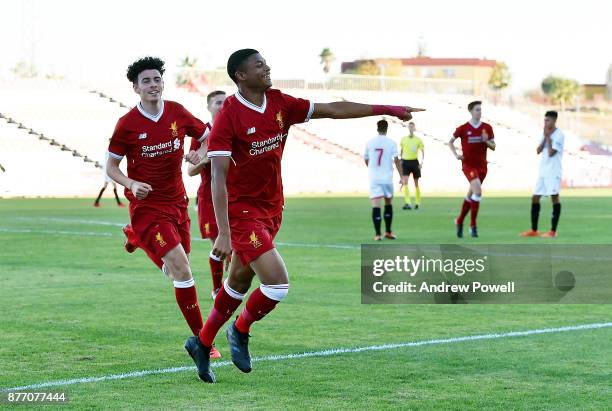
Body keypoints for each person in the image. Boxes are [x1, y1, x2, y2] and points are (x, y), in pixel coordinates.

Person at [184, 48, 424, 383]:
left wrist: (386, 108)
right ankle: (239, 330)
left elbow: (332, 109)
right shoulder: (230, 115)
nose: (267, 67)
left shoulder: (280, 103)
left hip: (271, 208)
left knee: (239, 280)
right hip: (242, 213)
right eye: (259, 65)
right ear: (241, 75)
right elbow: (219, 177)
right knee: (277, 283)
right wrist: (224, 231)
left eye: (266, 62)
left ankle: (201, 343)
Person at [105, 56, 221, 359]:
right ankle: (204, 342)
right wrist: (130, 184)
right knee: (182, 268)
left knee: (176, 269)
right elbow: (111, 167)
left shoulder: (177, 112)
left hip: (178, 204)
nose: (153, 85)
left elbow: (208, 137)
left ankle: (137, 238)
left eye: (157, 79)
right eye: (146, 81)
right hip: (147, 208)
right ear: (136, 88)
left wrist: (201, 154)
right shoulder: (127, 124)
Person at [187, 90, 227, 298]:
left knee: (236, 247)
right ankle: (217, 288)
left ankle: (227, 288)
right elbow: (191, 170)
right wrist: (208, 159)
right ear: (209, 107)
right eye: (218, 102)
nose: (222, 106)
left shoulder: (234, 128)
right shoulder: (202, 135)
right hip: (209, 196)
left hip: (235, 195)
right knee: (220, 245)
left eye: (225, 102)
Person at [448, 101, 495, 238]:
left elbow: (493, 146)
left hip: (482, 166)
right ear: (471, 111)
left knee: (471, 194)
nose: (479, 112)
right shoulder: (463, 128)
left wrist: (486, 141)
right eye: (477, 110)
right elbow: (450, 142)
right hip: (468, 165)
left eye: (480, 110)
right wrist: (456, 155)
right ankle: (472, 225)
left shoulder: (487, 128)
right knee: (478, 192)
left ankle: (459, 220)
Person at [520, 111, 564, 238]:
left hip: (553, 171)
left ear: (555, 120)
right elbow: (538, 150)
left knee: (554, 198)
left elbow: (551, 153)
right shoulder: (545, 134)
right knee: (535, 197)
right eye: (545, 120)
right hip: (543, 171)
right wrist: (545, 137)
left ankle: (553, 231)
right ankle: (534, 230)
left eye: (548, 120)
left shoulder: (559, 135)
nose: (545, 123)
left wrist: (549, 138)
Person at [364, 119, 402, 240]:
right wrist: (401, 176)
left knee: (376, 205)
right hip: (387, 178)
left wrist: (372, 168)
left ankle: (377, 234)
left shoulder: (370, 143)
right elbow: (396, 160)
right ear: (386, 129)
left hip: (374, 178)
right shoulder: (391, 143)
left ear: (377, 128)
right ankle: (388, 232)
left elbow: (366, 159)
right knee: (388, 204)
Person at [399, 121, 424, 210]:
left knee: (416, 183)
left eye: (412, 127)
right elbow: (401, 151)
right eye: (409, 127)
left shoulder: (418, 140)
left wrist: (421, 162)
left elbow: (422, 152)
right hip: (405, 162)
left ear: (414, 128)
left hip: (414, 162)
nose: (411, 128)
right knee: (405, 182)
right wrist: (401, 160)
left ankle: (417, 202)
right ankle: (408, 202)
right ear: (408, 128)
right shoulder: (403, 139)